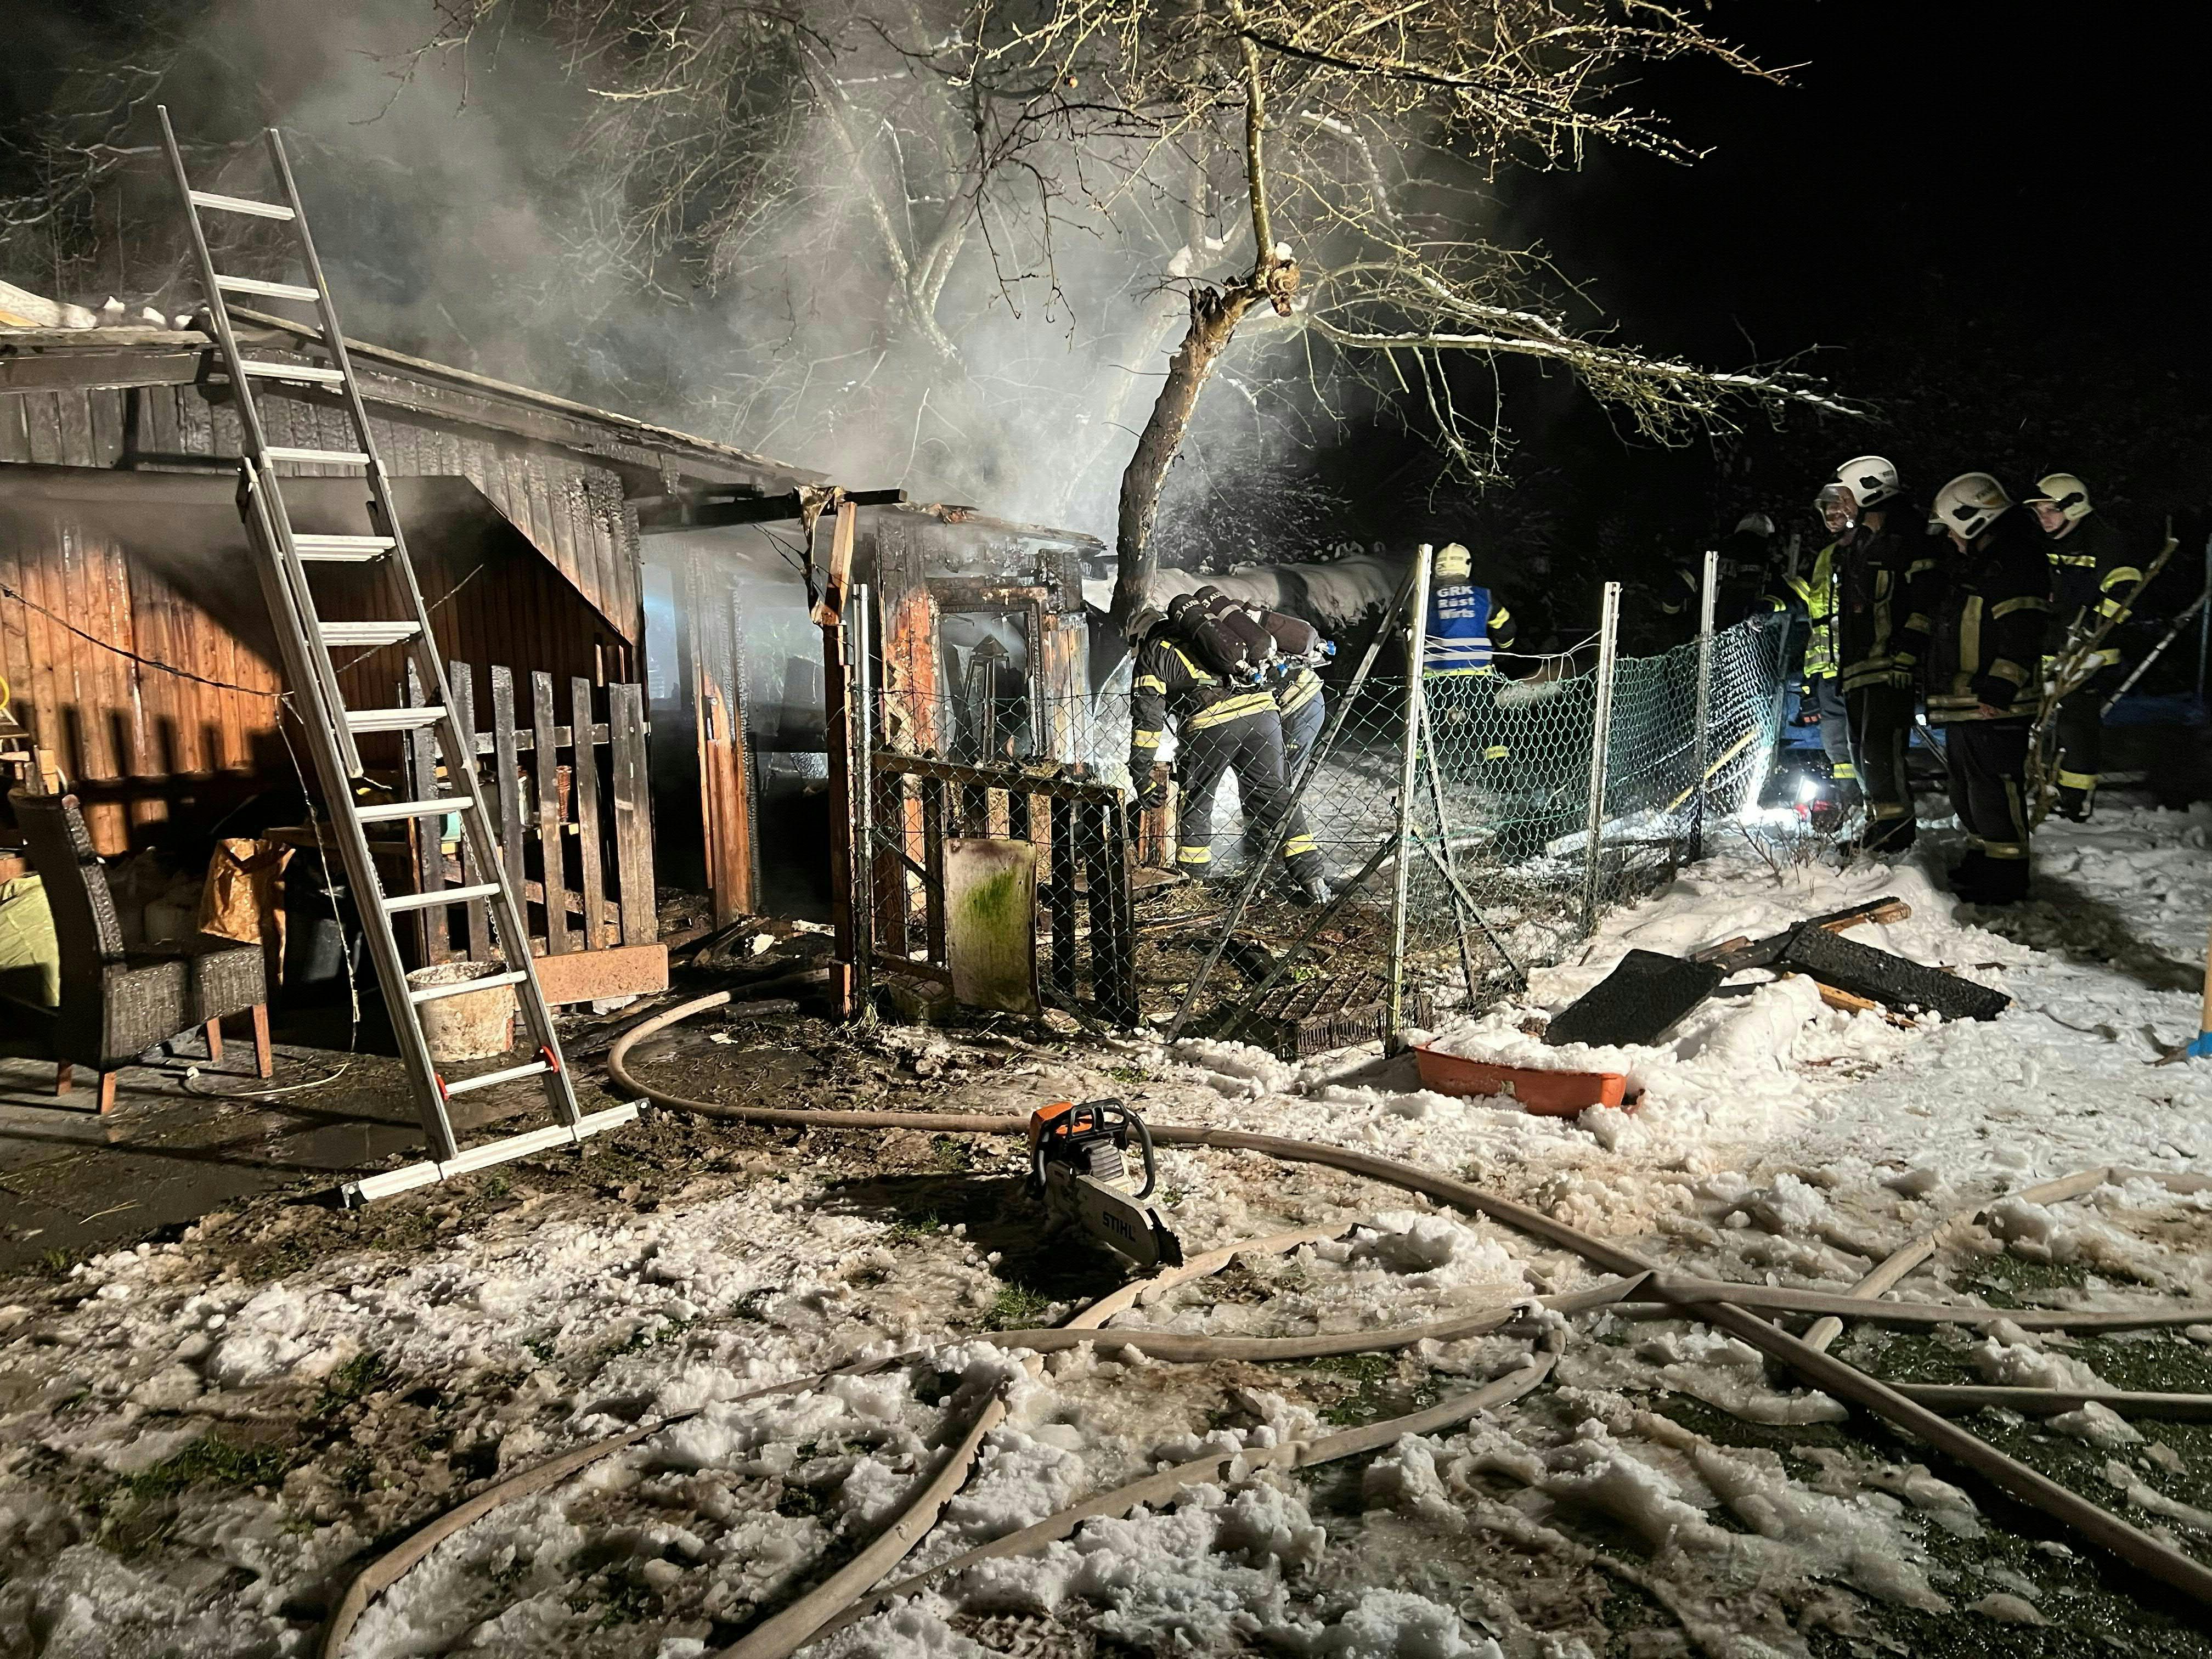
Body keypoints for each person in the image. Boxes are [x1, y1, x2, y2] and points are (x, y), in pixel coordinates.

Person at [1126, 607, 1331, 905]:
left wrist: (1142, 774)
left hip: (1213, 723)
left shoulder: (1154, 652)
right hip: (1263, 713)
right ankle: (1312, 877)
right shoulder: (1209, 635)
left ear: (1140, 637)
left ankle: (1191, 887)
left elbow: (1148, 721)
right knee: (1274, 795)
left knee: (1197, 801)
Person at [1927, 472, 2054, 905]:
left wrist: (2000, 687)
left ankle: (2006, 875)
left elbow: (2023, 629)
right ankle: (1984, 861)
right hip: (1969, 698)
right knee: (1970, 789)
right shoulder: (1986, 562)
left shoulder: (2014, 562)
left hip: (1993, 701)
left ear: (1973, 519)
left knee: (1995, 787)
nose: (1949, 537)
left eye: (1951, 527)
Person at [1829, 455, 1940, 857]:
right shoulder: (1860, 541)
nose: (1841, 504)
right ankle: (1881, 822)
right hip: (1860, 665)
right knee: (1861, 750)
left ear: (1869, 492)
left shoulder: (1909, 536)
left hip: (1890, 664)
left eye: (1847, 495)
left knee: (1881, 749)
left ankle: (1897, 830)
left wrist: (1907, 653)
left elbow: (1926, 600)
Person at [2025, 472, 2142, 820]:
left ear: (2075, 507)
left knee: (2076, 725)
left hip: (2090, 655)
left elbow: (2124, 593)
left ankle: (2075, 801)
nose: (2044, 518)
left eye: (2051, 510)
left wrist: (2087, 633)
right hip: (2048, 648)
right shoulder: (2043, 542)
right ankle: (2035, 784)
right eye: (2039, 512)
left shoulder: (2105, 543)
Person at [1780, 488, 1858, 820]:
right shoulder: (1826, 556)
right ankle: (1849, 801)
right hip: (1828, 668)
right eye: (1828, 512)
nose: (1832, 518)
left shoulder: (1868, 550)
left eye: (1839, 511)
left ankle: (1873, 802)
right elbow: (1817, 610)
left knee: (1864, 740)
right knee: (1835, 743)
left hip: (1860, 663)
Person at [1422, 542, 1516, 775]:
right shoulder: (1484, 597)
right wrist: (1504, 649)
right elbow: (1507, 629)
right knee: (1488, 723)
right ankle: (1502, 775)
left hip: (1436, 675)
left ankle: (1417, 770)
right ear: (1466, 566)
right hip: (1476, 673)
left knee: (1425, 722)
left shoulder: (1425, 598)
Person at [1244, 602, 1331, 766]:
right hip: (1308, 693)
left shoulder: (1226, 639)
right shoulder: (1246, 620)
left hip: (1298, 706)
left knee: (1276, 774)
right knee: (1275, 773)